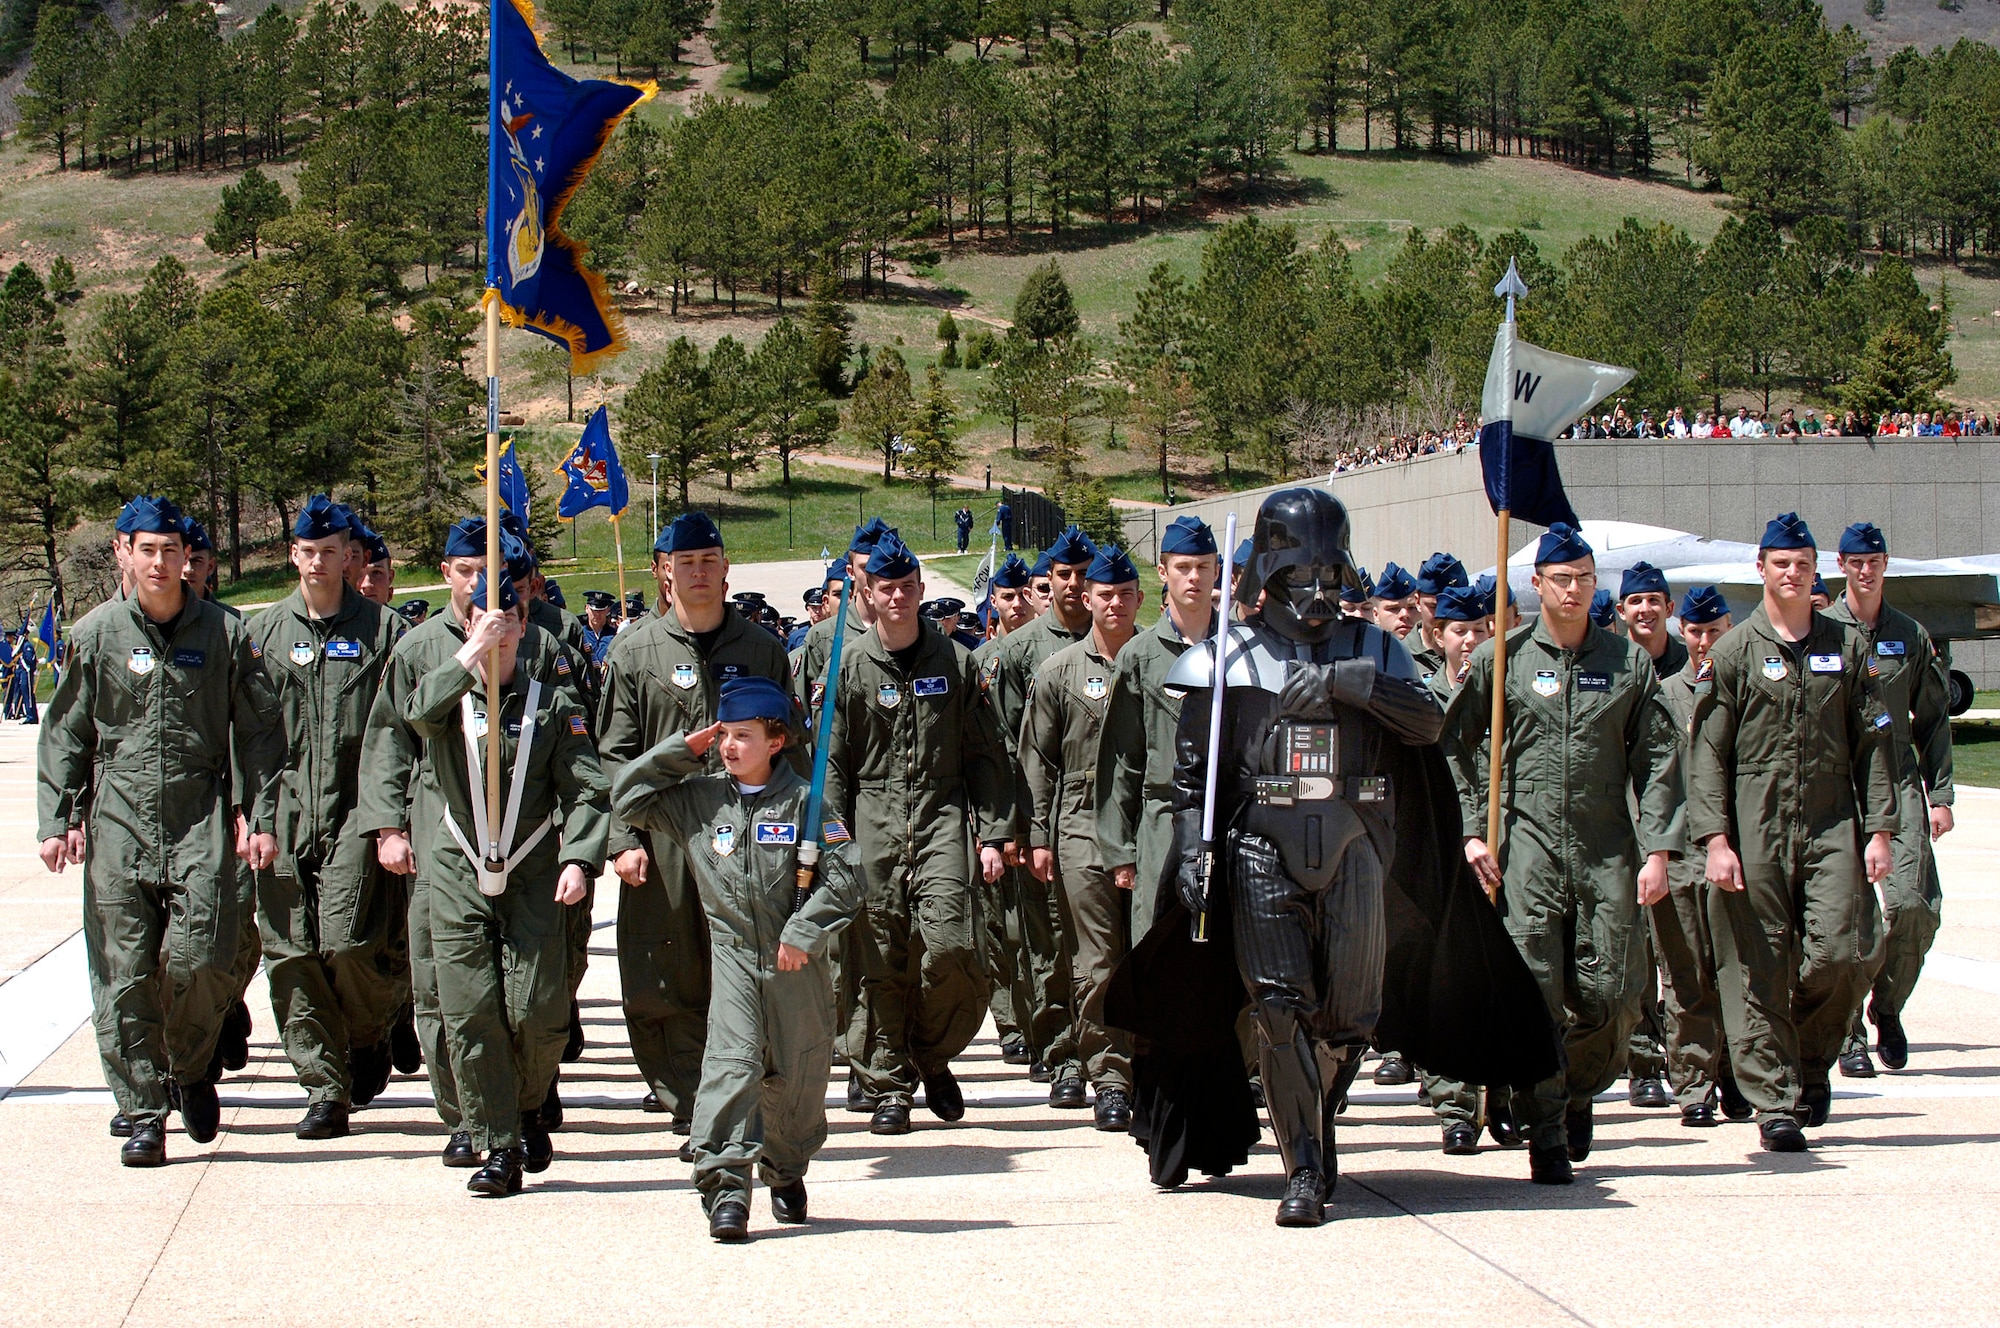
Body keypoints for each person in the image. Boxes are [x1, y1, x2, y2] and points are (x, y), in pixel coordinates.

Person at [1111, 488, 1556, 1224]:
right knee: (1279, 1008)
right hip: (1261, 843)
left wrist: (1359, 685)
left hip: (1359, 844)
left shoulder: (1374, 647)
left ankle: (1313, 1119)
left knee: (1350, 1016)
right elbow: (1194, 776)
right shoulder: (1223, 659)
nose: (1317, 594)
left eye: (1327, 577)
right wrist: (1193, 850)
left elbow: (1429, 728)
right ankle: (1306, 1169)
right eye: (1300, 578)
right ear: (1270, 577)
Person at [38, 495, 284, 1167]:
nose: (158, 562)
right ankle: (144, 1109)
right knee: (122, 974)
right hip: (119, 818)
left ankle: (191, 1061)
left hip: (200, 814)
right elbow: (66, 733)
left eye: (170, 551)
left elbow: (260, 733)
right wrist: (58, 818)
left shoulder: (227, 635)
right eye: (145, 550)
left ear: (187, 558)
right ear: (123, 552)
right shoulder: (95, 636)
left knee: (201, 957)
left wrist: (257, 817)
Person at [1448, 522, 1682, 1183]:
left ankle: (1573, 1087)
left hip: (1609, 846)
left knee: (1614, 995)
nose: (1575, 590)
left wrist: (1659, 846)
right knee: (1538, 994)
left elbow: (1660, 753)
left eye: (1585, 579)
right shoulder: (1503, 660)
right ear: (1537, 586)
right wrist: (1473, 831)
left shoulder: (1627, 662)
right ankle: (1546, 1130)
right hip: (1530, 846)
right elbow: (1459, 747)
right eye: (1562, 580)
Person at [611, 677, 862, 1242]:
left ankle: (786, 1167)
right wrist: (684, 749)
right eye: (724, 734)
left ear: (776, 741)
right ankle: (726, 1188)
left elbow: (847, 879)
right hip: (732, 958)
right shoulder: (700, 800)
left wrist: (805, 929)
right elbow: (626, 797)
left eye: (742, 735)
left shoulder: (809, 801)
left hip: (796, 964)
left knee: (797, 1079)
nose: (729, 746)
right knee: (732, 1065)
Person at [1686, 512, 1895, 1151]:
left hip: (1834, 818)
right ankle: (1774, 1100)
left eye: (1803, 564)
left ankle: (1807, 1062)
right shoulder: (1734, 651)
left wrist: (1881, 828)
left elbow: (1877, 745)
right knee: (1758, 963)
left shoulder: (1847, 646)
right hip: (1755, 821)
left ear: (1814, 572)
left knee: (1844, 952)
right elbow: (1707, 755)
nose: (1793, 574)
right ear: (1762, 570)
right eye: (1782, 564)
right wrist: (1716, 839)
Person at [598, 512, 803, 1142]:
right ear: (663, 572)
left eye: (708, 560)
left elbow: (787, 744)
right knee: (667, 968)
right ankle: (688, 1095)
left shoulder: (763, 649)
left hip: (746, 835)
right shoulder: (634, 651)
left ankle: (743, 1094)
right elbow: (614, 752)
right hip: (665, 834)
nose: (698, 573)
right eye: (684, 563)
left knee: (744, 964)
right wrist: (623, 839)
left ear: (725, 567)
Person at [402, 569, 607, 1195]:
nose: (501, 634)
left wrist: (579, 858)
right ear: (469, 626)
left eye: (511, 622)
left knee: (538, 1007)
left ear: (525, 626)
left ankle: (524, 1103)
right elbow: (417, 714)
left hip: (533, 865)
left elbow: (586, 790)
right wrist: (468, 655)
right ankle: (497, 1142)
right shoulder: (450, 697)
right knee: (470, 1008)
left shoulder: (553, 701)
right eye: (488, 623)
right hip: (460, 863)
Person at [824, 534, 1011, 1134]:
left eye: (908, 587)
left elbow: (986, 755)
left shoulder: (957, 662)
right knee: (878, 958)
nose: (898, 597)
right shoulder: (848, 666)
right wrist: (834, 835)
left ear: (922, 592)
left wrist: (992, 834)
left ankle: (931, 1054)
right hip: (871, 820)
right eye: (886, 588)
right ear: (868, 594)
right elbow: (831, 761)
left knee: (954, 947)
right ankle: (889, 1084)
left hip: (940, 815)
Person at [246, 496, 410, 1140]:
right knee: (290, 952)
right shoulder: (262, 635)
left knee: (347, 943)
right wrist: (249, 814)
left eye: (330, 551)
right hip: (283, 809)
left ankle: (369, 1031)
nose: (318, 562)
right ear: (294, 555)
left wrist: (393, 816)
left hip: (355, 808)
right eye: (307, 552)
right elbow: (248, 734)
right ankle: (323, 1086)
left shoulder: (385, 631)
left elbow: (403, 726)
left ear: (350, 556)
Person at [1023, 542, 1145, 1130]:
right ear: (1086, 599)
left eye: (1125, 594)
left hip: (1150, 822)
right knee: (1096, 959)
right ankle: (1110, 1075)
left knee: (1150, 951)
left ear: (1141, 597)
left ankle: (1155, 1064)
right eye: (1105, 595)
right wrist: (1040, 836)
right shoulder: (1059, 672)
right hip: (1079, 825)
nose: (1115, 604)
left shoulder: (1162, 661)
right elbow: (1038, 762)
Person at [1827, 522, 1954, 1077]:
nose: (1865, 569)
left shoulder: (1911, 634)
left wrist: (1941, 792)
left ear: (1885, 564)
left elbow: (1933, 716)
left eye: (1874, 560)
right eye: (1856, 561)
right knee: (1844, 911)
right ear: (1842, 565)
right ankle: (1848, 1030)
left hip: (1899, 778)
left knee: (1915, 908)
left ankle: (1888, 1006)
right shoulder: (1822, 630)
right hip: (1839, 780)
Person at [989, 525, 1099, 1096]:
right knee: (1047, 940)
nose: (1076, 585)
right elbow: (1005, 746)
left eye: (1084, 575)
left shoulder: (1121, 642)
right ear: (1047, 583)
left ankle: (1108, 1056)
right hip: (1037, 814)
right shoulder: (1017, 652)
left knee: (1103, 944)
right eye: (1064, 575)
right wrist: (1010, 829)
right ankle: (1060, 1056)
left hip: (1102, 818)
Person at [1418, 584, 1515, 1153]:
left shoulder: (1507, 688)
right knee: (1447, 976)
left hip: (1503, 845)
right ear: (1439, 637)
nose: (1473, 640)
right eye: (1461, 631)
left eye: (1482, 629)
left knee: (1500, 973)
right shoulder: (1420, 693)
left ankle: (1498, 1097)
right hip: (1443, 848)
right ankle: (1455, 1103)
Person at [1097, 516, 1219, 938]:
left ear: (1217, 570)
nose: (1194, 577)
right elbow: (1122, 757)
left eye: (1204, 566)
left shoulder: (1241, 646)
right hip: (1161, 818)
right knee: (1155, 937)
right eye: (1183, 567)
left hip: (1227, 817)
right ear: (1163, 572)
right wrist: (1120, 849)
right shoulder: (1140, 656)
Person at [1652, 585, 1746, 1127]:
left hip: (1733, 849)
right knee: (1684, 970)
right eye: (1696, 631)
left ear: (1729, 628)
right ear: (1681, 632)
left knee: (1736, 968)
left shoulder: (1746, 686)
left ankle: (1736, 1074)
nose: (1706, 641)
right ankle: (1692, 1083)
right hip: (1681, 850)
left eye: (1715, 631)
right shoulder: (1665, 695)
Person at [1614, 560, 1688, 1111]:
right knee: (1638, 949)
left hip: (1685, 826)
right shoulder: (1613, 669)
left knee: (1684, 952)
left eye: (1654, 600)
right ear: (1622, 611)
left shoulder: (1699, 668)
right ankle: (1644, 1061)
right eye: (1635, 601)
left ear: (1668, 608)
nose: (1645, 609)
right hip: (1625, 823)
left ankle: (1697, 1063)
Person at [972, 552, 1040, 1069]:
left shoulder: (1046, 652)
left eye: (1025, 595)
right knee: (1004, 922)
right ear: (994, 601)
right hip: (1001, 799)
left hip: (1041, 801)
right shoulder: (983, 661)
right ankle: (1013, 1019)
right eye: (1009, 596)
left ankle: (1041, 1016)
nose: (1019, 605)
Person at [1410, 552, 1469, 678]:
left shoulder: (1480, 654)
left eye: (1454, 608)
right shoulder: (1401, 655)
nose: (1443, 615)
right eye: (1434, 606)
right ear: (1417, 602)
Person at [354, 522, 396, 605]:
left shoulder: (397, 618)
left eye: (376, 572)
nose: (367, 584)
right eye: (358, 574)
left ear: (390, 577)